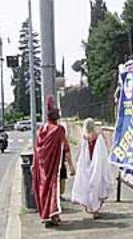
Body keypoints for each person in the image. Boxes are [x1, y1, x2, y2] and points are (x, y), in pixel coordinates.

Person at [33, 96, 74, 227]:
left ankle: (46, 215)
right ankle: (52, 215)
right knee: (53, 190)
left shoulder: (42, 128)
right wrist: (72, 166)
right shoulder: (59, 129)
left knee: (43, 188)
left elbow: (37, 147)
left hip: (42, 165)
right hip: (55, 165)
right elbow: (66, 147)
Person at [71, 118, 113, 219]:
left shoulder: (85, 137)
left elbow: (81, 153)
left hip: (86, 166)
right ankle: (95, 210)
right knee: (96, 186)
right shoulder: (98, 137)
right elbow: (103, 152)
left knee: (87, 186)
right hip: (96, 166)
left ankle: (91, 208)